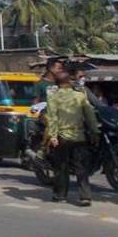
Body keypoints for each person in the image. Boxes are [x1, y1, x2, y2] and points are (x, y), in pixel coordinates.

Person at [46, 72, 100, 206]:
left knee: (61, 167)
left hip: (62, 138)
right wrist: (95, 132)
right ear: (69, 81)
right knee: (81, 168)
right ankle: (85, 197)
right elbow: (90, 116)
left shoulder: (53, 97)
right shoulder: (80, 96)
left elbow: (52, 118)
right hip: (79, 137)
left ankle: (60, 195)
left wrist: (52, 136)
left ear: (56, 84)